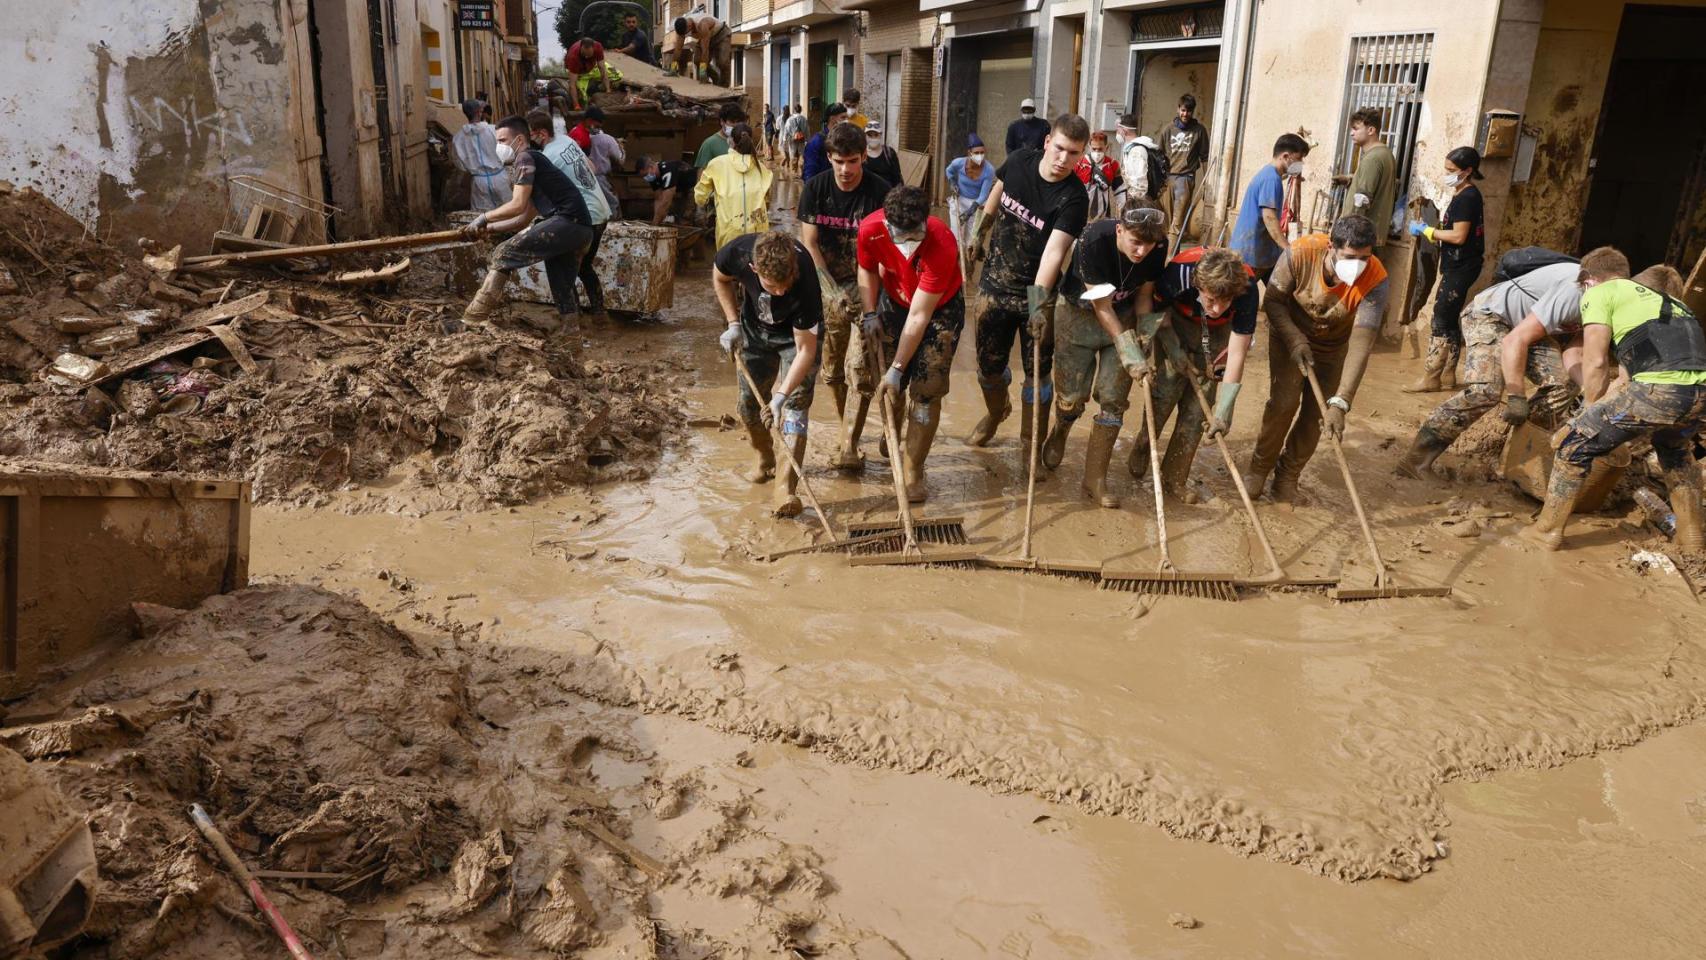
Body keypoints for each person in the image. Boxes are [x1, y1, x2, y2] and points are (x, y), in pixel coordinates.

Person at [1395, 247, 1630, 480]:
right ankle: (1415, 461)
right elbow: (1514, 340)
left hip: (1525, 327)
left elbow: (1574, 355)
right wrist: (1516, 396)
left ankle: (1515, 454)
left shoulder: (1607, 300)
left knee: (1563, 385)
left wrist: (1591, 395)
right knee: (1485, 391)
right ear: (1591, 281)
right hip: (1490, 314)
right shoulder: (1574, 290)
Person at [1522, 273, 1706, 552]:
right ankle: (1691, 537)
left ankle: (1546, 531)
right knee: (1674, 450)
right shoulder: (1678, 308)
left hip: (1662, 390)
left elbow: (1595, 363)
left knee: (1573, 444)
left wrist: (1584, 419)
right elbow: (1625, 380)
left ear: (1591, 281)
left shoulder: (1602, 291)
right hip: (1699, 397)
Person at [967, 113, 1092, 450]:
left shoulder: (1075, 198)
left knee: (1038, 373)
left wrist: (1037, 306)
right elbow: (997, 189)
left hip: (1038, 296)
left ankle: (1030, 443)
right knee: (988, 368)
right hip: (994, 285)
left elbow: (1054, 253)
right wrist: (979, 233)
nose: (1065, 160)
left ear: (1083, 155)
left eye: (1075, 154)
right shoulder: (1020, 160)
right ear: (1048, 141)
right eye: (1061, 149)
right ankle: (996, 413)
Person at [1245, 214, 1389, 502]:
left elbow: (1363, 340)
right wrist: (1294, 338)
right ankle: (1259, 469)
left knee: (1318, 416)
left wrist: (1342, 400)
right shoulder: (1299, 253)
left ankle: (1287, 478)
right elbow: (1272, 302)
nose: (1358, 265)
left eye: (1365, 258)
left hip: (1333, 347)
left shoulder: (1375, 277)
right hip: (1290, 335)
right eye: (1350, 256)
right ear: (1331, 249)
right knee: (1283, 403)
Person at [1043, 203, 1167, 507]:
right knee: (1072, 397)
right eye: (1135, 242)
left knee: (1113, 400)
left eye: (1148, 245)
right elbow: (1101, 306)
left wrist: (1146, 333)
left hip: (1122, 317)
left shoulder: (1157, 246)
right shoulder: (1092, 240)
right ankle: (1061, 428)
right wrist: (1129, 350)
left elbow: (1144, 295)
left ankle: (1095, 478)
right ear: (1120, 230)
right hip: (1078, 314)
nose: (1141, 251)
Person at [856, 186, 966, 502]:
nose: (907, 242)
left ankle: (913, 468)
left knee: (927, 390)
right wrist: (869, 311)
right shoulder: (871, 229)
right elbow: (866, 266)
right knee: (889, 386)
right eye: (899, 235)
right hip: (893, 299)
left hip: (939, 310)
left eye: (914, 234)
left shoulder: (942, 241)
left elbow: (919, 316)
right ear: (887, 224)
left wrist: (898, 367)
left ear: (925, 223)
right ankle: (893, 429)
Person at [1135, 246, 1261, 501]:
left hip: (1218, 333)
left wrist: (1224, 412)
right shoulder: (1179, 274)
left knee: (1198, 409)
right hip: (1175, 321)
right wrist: (1172, 348)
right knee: (1165, 392)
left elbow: (1237, 352)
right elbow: (1155, 313)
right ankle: (1143, 443)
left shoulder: (1246, 289)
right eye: (1212, 300)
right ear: (1199, 286)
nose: (1216, 307)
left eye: (1225, 302)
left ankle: (1174, 478)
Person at [798, 122, 891, 469]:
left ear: (864, 157)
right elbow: (809, 244)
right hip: (829, 287)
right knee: (833, 372)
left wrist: (874, 304)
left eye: (852, 161)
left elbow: (891, 250)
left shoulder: (880, 192)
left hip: (869, 287)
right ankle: (844, 425)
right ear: (829, 158)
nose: (846, 170)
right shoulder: (815, 189)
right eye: (839, 161)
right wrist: (831, 290)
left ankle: (851, 442)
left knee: (861, 370)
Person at [713, 230, 823, 517]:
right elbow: (720, 277)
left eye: (785, 285)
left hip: (795, 339)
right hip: (754, 331)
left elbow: (806, 352)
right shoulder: (736, 253)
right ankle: (764, 456)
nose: (780, 292)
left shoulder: (806, 280)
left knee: (795, 409)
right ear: (753, 269)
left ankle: (785, 489)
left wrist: (780, 397)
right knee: (748, 407)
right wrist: (733, 323)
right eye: (772, 286)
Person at [452, 115, 595, 329]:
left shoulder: (525, 158)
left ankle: (473, 318)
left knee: (503, 253)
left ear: (519, 140)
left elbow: (517, 204)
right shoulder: (537, 161)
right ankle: (571, 338)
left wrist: (482, 217)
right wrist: (489, 228)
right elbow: (523, 218)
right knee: (561, 284)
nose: (498, 146)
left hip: (567, 222)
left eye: (502, 141)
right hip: (581, 230)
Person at [1404, 146, 1487, 393]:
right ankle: (1448, 375)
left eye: (1451, 170)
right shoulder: (1464, 194)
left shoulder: (1467, 197)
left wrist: (1428, 231)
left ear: (1468, 171)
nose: (1447, 174)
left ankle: (1431, 377)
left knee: (1440, 317)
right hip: (1461, 264)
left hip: (1461, 265)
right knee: (1450, 319)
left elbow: (1459, 236)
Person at [529, 109, 612, 321]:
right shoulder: (567, 140)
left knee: (565, 270)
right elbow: (592, 167)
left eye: (531, 134)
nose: (531, 139)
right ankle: (599, 313)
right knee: (584, 266)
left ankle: (572, 320)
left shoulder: (546, 158)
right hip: (601, 210)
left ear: (541, 133)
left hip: (585, 217)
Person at [1230, 134, 1310, 284]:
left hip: (1262, 251)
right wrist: (1287, 247)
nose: (1301, 163)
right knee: (1238, 295)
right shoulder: (1271, 180)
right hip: (1252, 252)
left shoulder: (1269, 175)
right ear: (1286, 156)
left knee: (1280, 293)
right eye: (1299, 159)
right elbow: (1269, 218)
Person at [694, 122, 773, 249]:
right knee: (756, 267)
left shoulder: (717, 164)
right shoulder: (762, 169)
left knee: (727, 267)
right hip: (758, 236)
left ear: (730, 142)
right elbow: (767, 202)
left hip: (729, 234)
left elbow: (699, 197)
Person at [1157, 94, 1210, 248]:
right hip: (1168, 180)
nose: (1185, 114)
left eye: (1189, 111)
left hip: (1185, 179)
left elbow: (1205, 157)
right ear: (1178, 109)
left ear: (1193, 112)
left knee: (1177, 223)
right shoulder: (1167, 130)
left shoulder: (1199, 131)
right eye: (1183, 110)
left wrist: (1207, 182)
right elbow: (1159, 157)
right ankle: (1168, 256)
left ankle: (1170, 260)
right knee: (1166, 223)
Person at [1338, 107, 1396, 244]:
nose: (1351, 133)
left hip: (1359, 237)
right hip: (1373, 234)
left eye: (1356, 128)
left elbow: (1361, 200)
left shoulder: (1373, 158)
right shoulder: (1385, 153)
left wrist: (1347, 233)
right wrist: (1351, 180)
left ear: (1371, 130)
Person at [452, 99, 507, 212]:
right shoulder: (494, 130)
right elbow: (507, 152)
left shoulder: (458, 138)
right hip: (500, 178)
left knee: (483, 218)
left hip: (479, 182)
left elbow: (459, 164)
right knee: (508, 212)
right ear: (479, 112)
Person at [944, 134, 995, 254]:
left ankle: (968, 267)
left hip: (977, 204)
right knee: (956, 236)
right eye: (976, 153)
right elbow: (949, 170)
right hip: (959, 200)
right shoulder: (959, 163)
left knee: (970, 240)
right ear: (969, 153)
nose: (980, 156)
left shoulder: (989, 170)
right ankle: (955, 260)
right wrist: (952, 182)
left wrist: (971, 211)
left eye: (982, 152)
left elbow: (983, 195)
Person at [1115, 114, 1164, 210]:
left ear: (1124, 130)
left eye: (1118, 130)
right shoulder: (1130, 149)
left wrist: (1133, 207)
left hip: (1139, 204)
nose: (1117, 133)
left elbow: (1139, 185)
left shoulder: (1136, 151)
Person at [635, 154, 698, 225]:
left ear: (651, 167)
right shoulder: (653, 178)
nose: (646, 178)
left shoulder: (667, 170)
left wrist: (655, 224)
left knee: (688, 214)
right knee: (678, 214)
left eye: (645, 175)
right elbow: (658, 198)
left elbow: (666, 201)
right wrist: (655, 219)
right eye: (643, 176)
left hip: (694, 185)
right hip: (681, 188)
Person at [672, 15, 733, 85]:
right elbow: (678, 49)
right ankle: (715, 77)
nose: (685, 35)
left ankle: (724, 86)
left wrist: (702, 72)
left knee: (723, 62)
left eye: (686, 33)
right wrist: (673, 68)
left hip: (721, 35)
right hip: (705, 37)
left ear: (689, 26)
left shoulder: (702, 25)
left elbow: (705, 50)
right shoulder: (683, 29)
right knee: (697, 60)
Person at [1074, 131, 1121, 222]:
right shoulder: (1078, 163)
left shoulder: (1112, 165)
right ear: (1089, 147)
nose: (1097, 152)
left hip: (1103, 214)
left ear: (1106, 147)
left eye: (1100, 149)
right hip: (1079, 213)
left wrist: (1122, 211)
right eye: (1094, 149)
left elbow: (1120, 190)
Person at [586, 117, 626, 217]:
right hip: (600, 178)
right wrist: (621, 147)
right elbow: (620, 160)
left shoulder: (583, 138)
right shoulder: (608, 139)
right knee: (612, 203)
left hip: (584, 178)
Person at [800, 102, 848, 183]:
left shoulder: (845, 139)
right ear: (832, 118)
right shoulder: (816, 142)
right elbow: (810, 173)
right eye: (843, 117)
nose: (846, 121)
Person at [695, 102, 746, 169]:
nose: (735, 125)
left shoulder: (744, 142)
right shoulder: (709, 144)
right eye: (732, 122)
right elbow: (702, 173)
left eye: (738, 122)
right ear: (722, 121)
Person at [862, 122, 903, 187]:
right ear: (865, 136)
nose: (873, 138)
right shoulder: (861, 153)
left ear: (880, 135)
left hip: (887, 193)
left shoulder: (889, 153)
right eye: (869, 135)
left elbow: (897, 178)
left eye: (876, 135)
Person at [782, 105, 808, 176]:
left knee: (793, 155)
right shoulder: (804, 119)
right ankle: (801, 171)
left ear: (794, 110)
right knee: (801, 154)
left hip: (792, 139)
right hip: (801, 139)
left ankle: (794, 172)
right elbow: (807, 130)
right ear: (801, 110)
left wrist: (784, 140)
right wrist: (807, 139)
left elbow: (786, 130)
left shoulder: (789, 119)